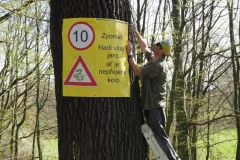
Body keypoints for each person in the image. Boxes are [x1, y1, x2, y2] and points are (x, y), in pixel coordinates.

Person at [126, 25, 180, 160]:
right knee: (159, 137)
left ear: (161, 51)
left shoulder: (157, 65)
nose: (154, 45)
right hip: (154, 107)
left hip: (155, 108)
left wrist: (130, 54)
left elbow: (137, 72)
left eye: (157, 45)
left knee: (161, 138)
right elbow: (144, 47)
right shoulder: (154, 60)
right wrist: (135, 32)